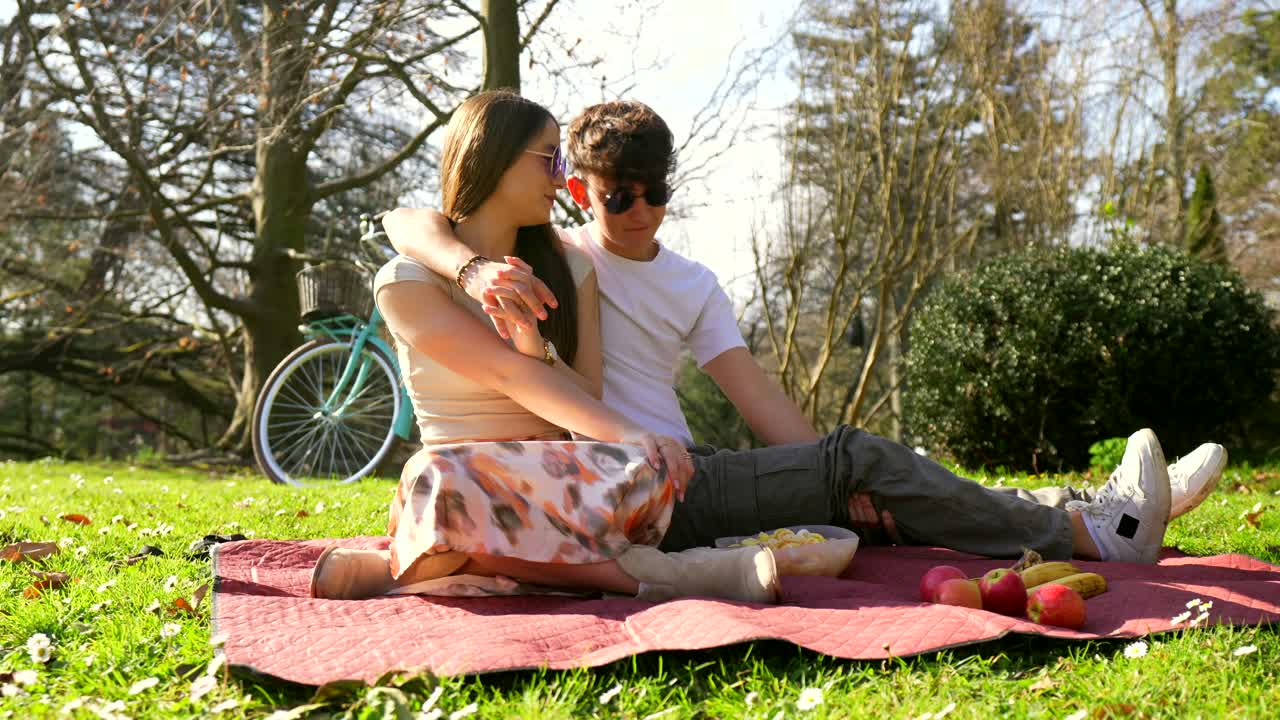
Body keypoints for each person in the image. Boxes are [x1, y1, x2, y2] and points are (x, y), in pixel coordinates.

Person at [384, 99, 1227, 569]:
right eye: (615, 195)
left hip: (652, 465)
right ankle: (1092, 528)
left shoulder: (585, 275)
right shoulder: (544, 258)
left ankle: (1092, 516)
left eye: (657, 193)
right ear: (575, 188)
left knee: (873, 484)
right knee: (863, 465)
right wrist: (469, 270)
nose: (639, 211)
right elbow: (407, 219)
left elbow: (737, 395)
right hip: (633, 480)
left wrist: (822, 473)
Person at [308, 90, 818, 605]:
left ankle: (406, 566)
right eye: (548, 158)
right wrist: (472, 270)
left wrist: (535, 341)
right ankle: (668, 577)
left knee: (630, 474)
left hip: (568, 480)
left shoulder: (571, 268)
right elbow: (505, 373)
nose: (558, 177)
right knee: (439, 480)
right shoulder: (406, 282)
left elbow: (582, 395)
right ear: (493, 154)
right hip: (466, 478)